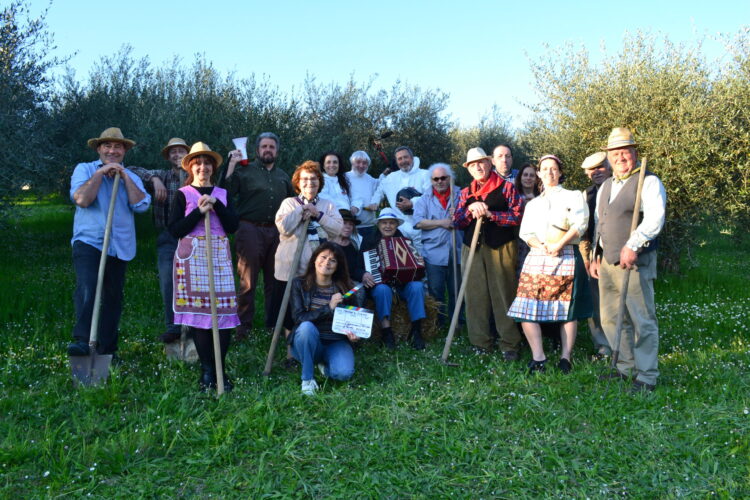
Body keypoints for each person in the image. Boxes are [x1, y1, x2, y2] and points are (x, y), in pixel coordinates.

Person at [591, 128, 666, 393]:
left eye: (625, 151)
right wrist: (596, 255)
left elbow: (655, 219)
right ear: (608, 156)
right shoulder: (606, 186)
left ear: (634, 152)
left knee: (642, 319)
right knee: (611, 317)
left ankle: (647, 375)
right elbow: (600, 222)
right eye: (615, 153)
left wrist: (633, 245)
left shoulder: (648, 181)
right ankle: (625, 367)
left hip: (635, 261)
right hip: (607, 261)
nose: (620, 157)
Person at [67, 127, 151, 357]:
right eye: (107, 146)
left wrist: (124, 177)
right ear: (99, 149)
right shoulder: (84, 169)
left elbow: (141, 205)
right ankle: (83, 341)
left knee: (113, 298)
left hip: (119, 245)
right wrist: (100, 174)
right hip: (89, 241)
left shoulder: (132, 177)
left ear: (124, 151)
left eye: (118, 147)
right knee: (88, 287)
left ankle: (107, 350)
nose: (112, 151)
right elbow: (82, 200)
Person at [508, 155, 592, 374]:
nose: (549, 172)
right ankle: (539, 357)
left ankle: (565, 358)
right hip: (537, 256)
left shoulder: (573, 196)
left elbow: (580, 224)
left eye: (553, 168)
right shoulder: (534, 204)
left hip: (565, 255)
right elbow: (526, 233)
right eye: (544, 169)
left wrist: (559, 244)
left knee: (567, 310)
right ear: (539, 173)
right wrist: (542, 246)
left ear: (560, 172)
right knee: (525, 307)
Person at [168, 142, 239, 391]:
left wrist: (216, 204)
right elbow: (175, 229)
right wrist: (198, 212)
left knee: (223, 315)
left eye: (207, 163)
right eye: (197, 163)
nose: (203, 167)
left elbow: (232, 226)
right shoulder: (183, 194)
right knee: (200, 317)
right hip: (193, 258)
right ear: (190, 167)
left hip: (218, 256)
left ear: (213, 167)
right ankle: (207, 370)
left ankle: (221, 369)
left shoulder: (222, 194)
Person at [220, 132, 294, 339]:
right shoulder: (244, 171)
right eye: (264, 146)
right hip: (249, 228)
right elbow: (224, 192)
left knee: (274, 280)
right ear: (257, 150)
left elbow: (292, 203)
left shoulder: (283, 176)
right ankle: (243, 326)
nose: (268, 150)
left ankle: (273, 325)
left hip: (277, 232)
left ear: (277, 151)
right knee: (248, 279)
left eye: (272, 147)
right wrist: (231, 164)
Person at [453, 147, 523, 359]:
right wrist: (470, 209)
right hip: (472, 248)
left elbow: (518, 216)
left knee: (503, 295)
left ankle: (509, 344)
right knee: (474, 296)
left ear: (489, 163)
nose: (478, 167)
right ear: (468, 169)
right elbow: (457, 221)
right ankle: (480, 343)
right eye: (473, 165)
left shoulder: (506, 187)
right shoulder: (465, 193)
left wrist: (492, 214)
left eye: (481, 162)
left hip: (501, 247)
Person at [130, 137, 190, 343]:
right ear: (168, 156)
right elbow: (132, 170)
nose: (177, 154)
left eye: (181, 151)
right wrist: (154, 180)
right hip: (167, 236)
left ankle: (194, 326)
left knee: (193, 281)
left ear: (187, 155)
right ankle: (173, 327)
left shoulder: (195, 177)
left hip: (191, 237)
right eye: (173, 152)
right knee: (168, 281)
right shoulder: (162, 176)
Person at [274, 160, 343, 334]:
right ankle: (290, 346)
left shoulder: (327, 205)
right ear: (298, 183)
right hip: (290, 268)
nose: (309, 182)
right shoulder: (289, 203)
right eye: (304, 179)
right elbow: (283, 228)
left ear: (319, 182)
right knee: (290, 311)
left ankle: (310, 338)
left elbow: (337, 229)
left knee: (310, 306)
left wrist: (317, 214)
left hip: (315, 270)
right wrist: (301, 210)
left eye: (313, 179)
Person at [289, 242, 365, 396]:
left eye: (333, 260)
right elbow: (298, 318)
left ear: (338, 266)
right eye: (323, 257)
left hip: (336, 341)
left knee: (343, 373)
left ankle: (324, 366)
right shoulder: (299, 284)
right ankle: (307, 379)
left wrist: (355, 335)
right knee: (306, 327)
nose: (327, 262)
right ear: (315, 259)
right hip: (307, 341)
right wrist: (328, 307)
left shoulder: (345, 288)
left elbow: (355, 320)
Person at [360, 210, 427, 350]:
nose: (388, 226)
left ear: (397, 225)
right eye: (384, 223)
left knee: (417, 287)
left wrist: (419, 263)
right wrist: (364, 274)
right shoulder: (369, 241)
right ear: (378, 225)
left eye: (391, 223)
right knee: (382, 289)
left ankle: (416, 331)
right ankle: (387, 332)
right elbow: (358, 265)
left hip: (402, 285)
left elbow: (418, 272)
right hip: (382, 285)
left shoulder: (405, 241)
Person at [413, 163, 463, 326]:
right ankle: (439, 323)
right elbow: (418, 222)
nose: (440, 181)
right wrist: (442, 222)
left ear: (450, 178)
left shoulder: (461, 195)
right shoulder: (423, 199)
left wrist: (459, 215)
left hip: (457, 250)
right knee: (436, 290)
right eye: (436, 179)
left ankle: (457, 322)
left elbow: (468, 216)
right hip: (434, 253)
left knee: (457, 289)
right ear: (431, 180)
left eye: (443, 178)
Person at [578, 152, 613, 359]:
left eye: (600, 167)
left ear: (609, 167)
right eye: (592, 169)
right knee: (595, 302)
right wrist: (586, 257)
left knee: (619, 301)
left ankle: (624, 345)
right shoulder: (587, 194)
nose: (596, 172)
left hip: (618, 252)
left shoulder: (620, 188)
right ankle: (603, 346)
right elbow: (584, 230)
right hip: (595, 255)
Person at [365, 146, 430, 252]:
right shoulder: (391, 178)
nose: (403, 161)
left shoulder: (425, 175)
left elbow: (431, 197)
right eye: (400, 159)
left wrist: (413, 203)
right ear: (396, 161)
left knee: (423, 258)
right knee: (402, 258)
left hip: (422, 228)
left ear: (412, 158)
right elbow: (379, 191)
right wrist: (374, 202)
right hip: (400, 229)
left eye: (405, 157)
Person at [514, 162, 542, 275]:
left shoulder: (542, 197)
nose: (528, 178)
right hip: (517, 239)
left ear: (536, 179)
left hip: (537, 240)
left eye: (532, 175)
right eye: (525, 175)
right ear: (520, 177)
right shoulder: (513, 196)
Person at [346, 150, 380, 241]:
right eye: (358, 162)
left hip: (369, 226)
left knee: (369, 249)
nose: (361, 165)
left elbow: (381, 188)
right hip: (349, 227)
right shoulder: (344, 178)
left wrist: (375, 204)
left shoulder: (370, 179)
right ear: (352, 162)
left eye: (364, 163)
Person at [332, 209, 361, 279]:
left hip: (352, 282)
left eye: (351, 224)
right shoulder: (328, 244)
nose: (348, 227)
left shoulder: (354, 244)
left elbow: (357, 268)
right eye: (344, 223)